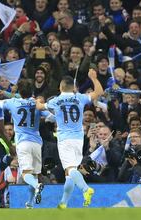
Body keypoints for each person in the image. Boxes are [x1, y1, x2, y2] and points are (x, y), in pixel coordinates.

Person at [0, 79, 53, 208]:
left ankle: (37, 186)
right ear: (32, 91)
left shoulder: (12, 102)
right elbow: (51, 116)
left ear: (19, 91)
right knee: (34, 174)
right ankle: (29, 203)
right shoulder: (37, 104)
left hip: (23, 143)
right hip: (36, 142)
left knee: (26, 174)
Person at [36, 68, 103, 208]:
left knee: (71, 169)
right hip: (79, 139)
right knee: (69, 173)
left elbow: (40, 107)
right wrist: (94, 78)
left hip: (65, 139)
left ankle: (86, 189)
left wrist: (36, 100)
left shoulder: (56, 100)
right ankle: (63, 203)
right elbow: (99, 93)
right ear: (73, 87)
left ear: (60, 87)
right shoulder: (80, 97)